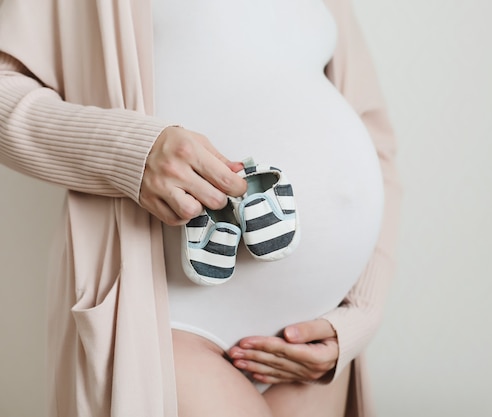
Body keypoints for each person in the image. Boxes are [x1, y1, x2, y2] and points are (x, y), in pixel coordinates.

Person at [0, 0, 401, 416]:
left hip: (310, 335)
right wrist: (134, 152)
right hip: (168, 316)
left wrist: (359, 315)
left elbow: (377, 144)